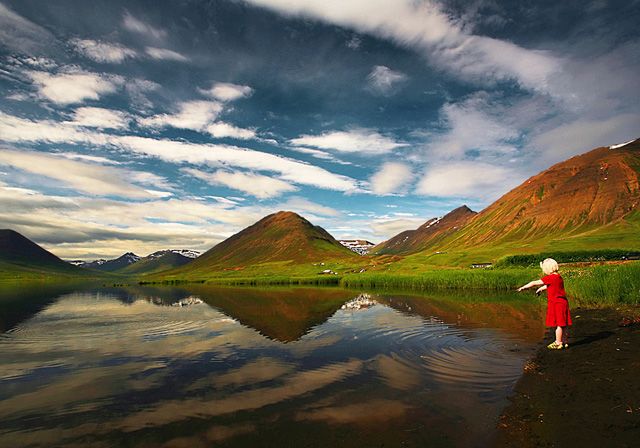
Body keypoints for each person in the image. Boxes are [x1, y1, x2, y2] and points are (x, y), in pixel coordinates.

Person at [517, 258, 572, 349]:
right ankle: (565, 341)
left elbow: (534, 283)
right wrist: (540, 289)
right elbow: (550, 285)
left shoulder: (550, 277)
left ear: (547, 269)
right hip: (563, 303)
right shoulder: (558, 277)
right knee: (564, 324)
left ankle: (558, 342)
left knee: (559, 325)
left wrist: (523, 287)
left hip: (556, 304)